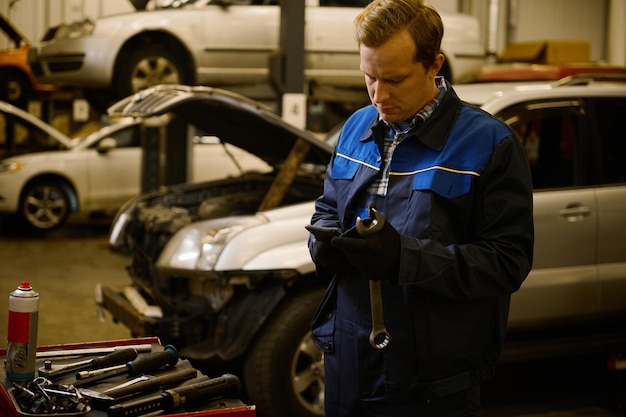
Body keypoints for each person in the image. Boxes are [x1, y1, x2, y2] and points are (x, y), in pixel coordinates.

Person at [306, 0, 534, 416]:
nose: (380, 94)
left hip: (432, 377)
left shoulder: (488, 145)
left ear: (434, 65)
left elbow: (507, 263)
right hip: (348, 362)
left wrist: (404, 259)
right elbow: (327, 207)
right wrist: (322, 243)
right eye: (369, 77)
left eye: (395, 79)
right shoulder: (356, 127)